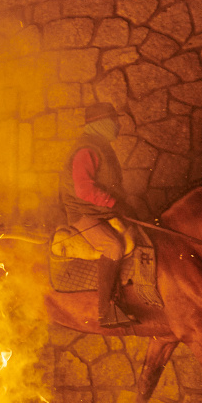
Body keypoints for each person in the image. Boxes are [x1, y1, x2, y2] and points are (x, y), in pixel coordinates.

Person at [61, 102, 135, 328]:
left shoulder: (101, 146)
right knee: (113, 246)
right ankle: (106, 311)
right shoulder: (86, 150)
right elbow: (84, 190)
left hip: (102, 211)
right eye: (114, 121)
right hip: (84, 213)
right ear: (101, 124)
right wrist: (114, 203)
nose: (117, 126)